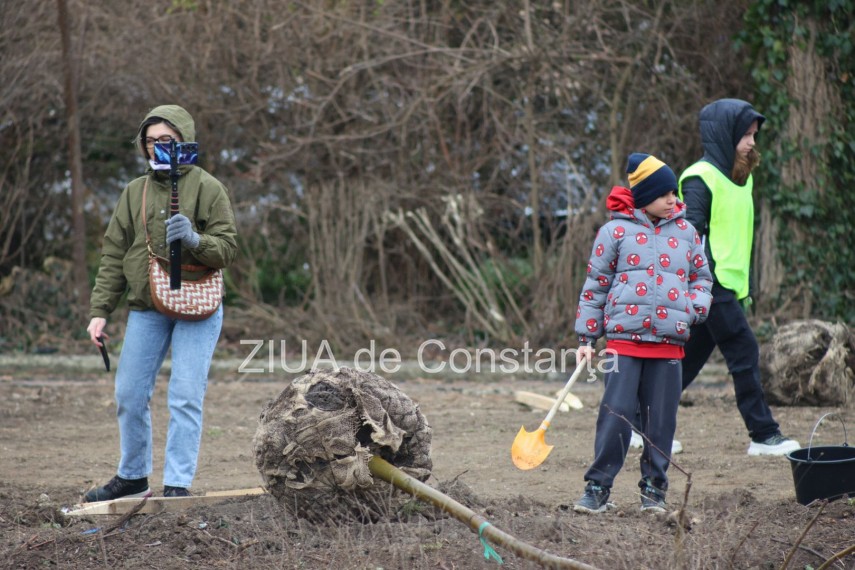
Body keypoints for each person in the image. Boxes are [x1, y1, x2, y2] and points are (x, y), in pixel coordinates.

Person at [84, 105, 237, 501]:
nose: (156, 147)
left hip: (198, 306)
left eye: (165, 140)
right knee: (129, 393)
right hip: (148, 304)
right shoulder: (135, 190)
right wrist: (100, 311)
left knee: (185, 395)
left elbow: (227, 249)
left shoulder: (208, 187)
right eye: (150, 141)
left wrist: (194, 239)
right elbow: (114, 253)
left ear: (182, 140)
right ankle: (132, 476)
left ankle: (177, 485)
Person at [573, 153, 713, 514]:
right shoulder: (614, 232)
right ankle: (597, 487)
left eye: (674, 192)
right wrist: (587, 339)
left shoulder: (687, 232)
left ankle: (654, 489)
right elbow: (595, 287)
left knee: (661, 421)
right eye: (666, 193)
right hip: (623, 343)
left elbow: (702, 278)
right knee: (615, 416)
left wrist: (694, 308)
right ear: (645, 196)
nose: (673, 199)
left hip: (668, 345)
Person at [678, 98, 800, 456]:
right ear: (724, 134)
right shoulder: (699, 178)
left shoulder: (740, 176)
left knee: (686, 361)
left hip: (728, 284)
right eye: (745, 135)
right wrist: (703, 281)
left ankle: (639, 422)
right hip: (709, 284)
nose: (751, 142)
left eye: (753, 135)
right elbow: (691, 236)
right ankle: (763, 434)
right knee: (745, 349)